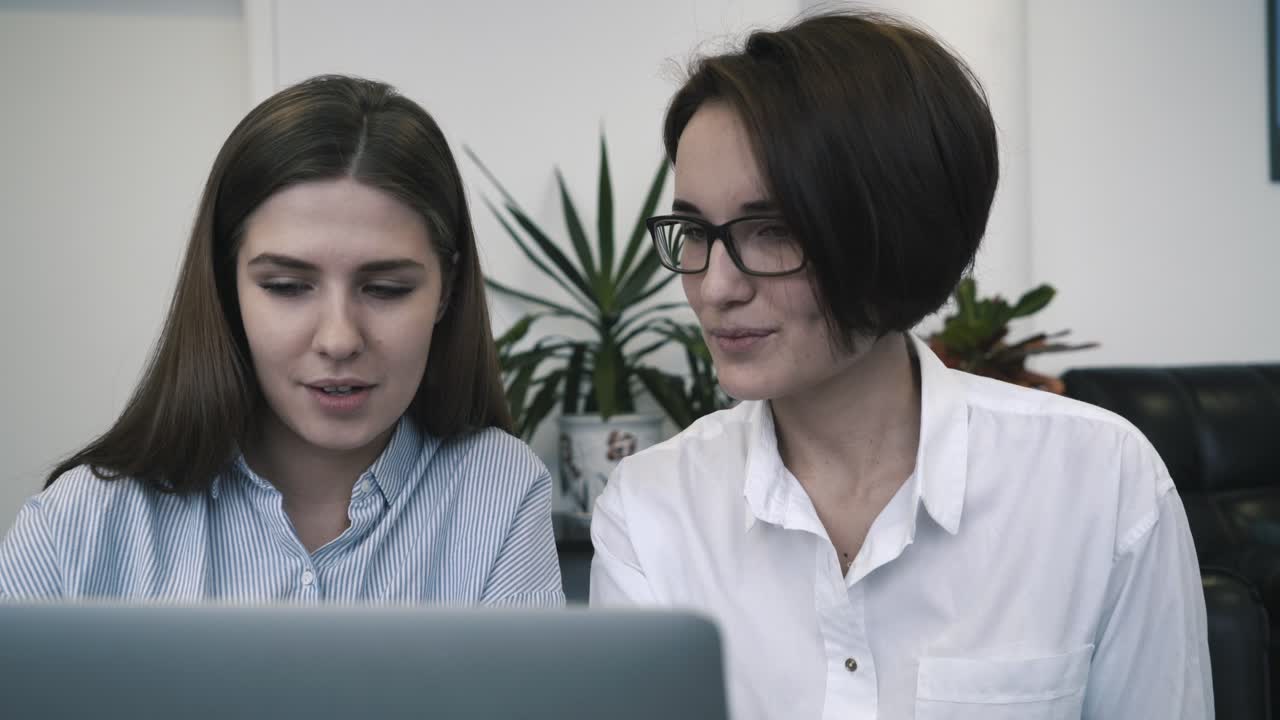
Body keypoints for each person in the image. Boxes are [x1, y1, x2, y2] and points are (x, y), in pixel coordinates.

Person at [589, 10, 1210, 719]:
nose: (717, 286)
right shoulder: (653, 511)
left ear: (896, 225)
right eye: (694, 231)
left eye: (773, 230)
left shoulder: (1098, 483)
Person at [0, 75, 564, 607]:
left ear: (445, 293)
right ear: (227, 288)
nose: (339, 339)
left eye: (387, 289)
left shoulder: (500, 490)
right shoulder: (80, 522)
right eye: (288, 286)